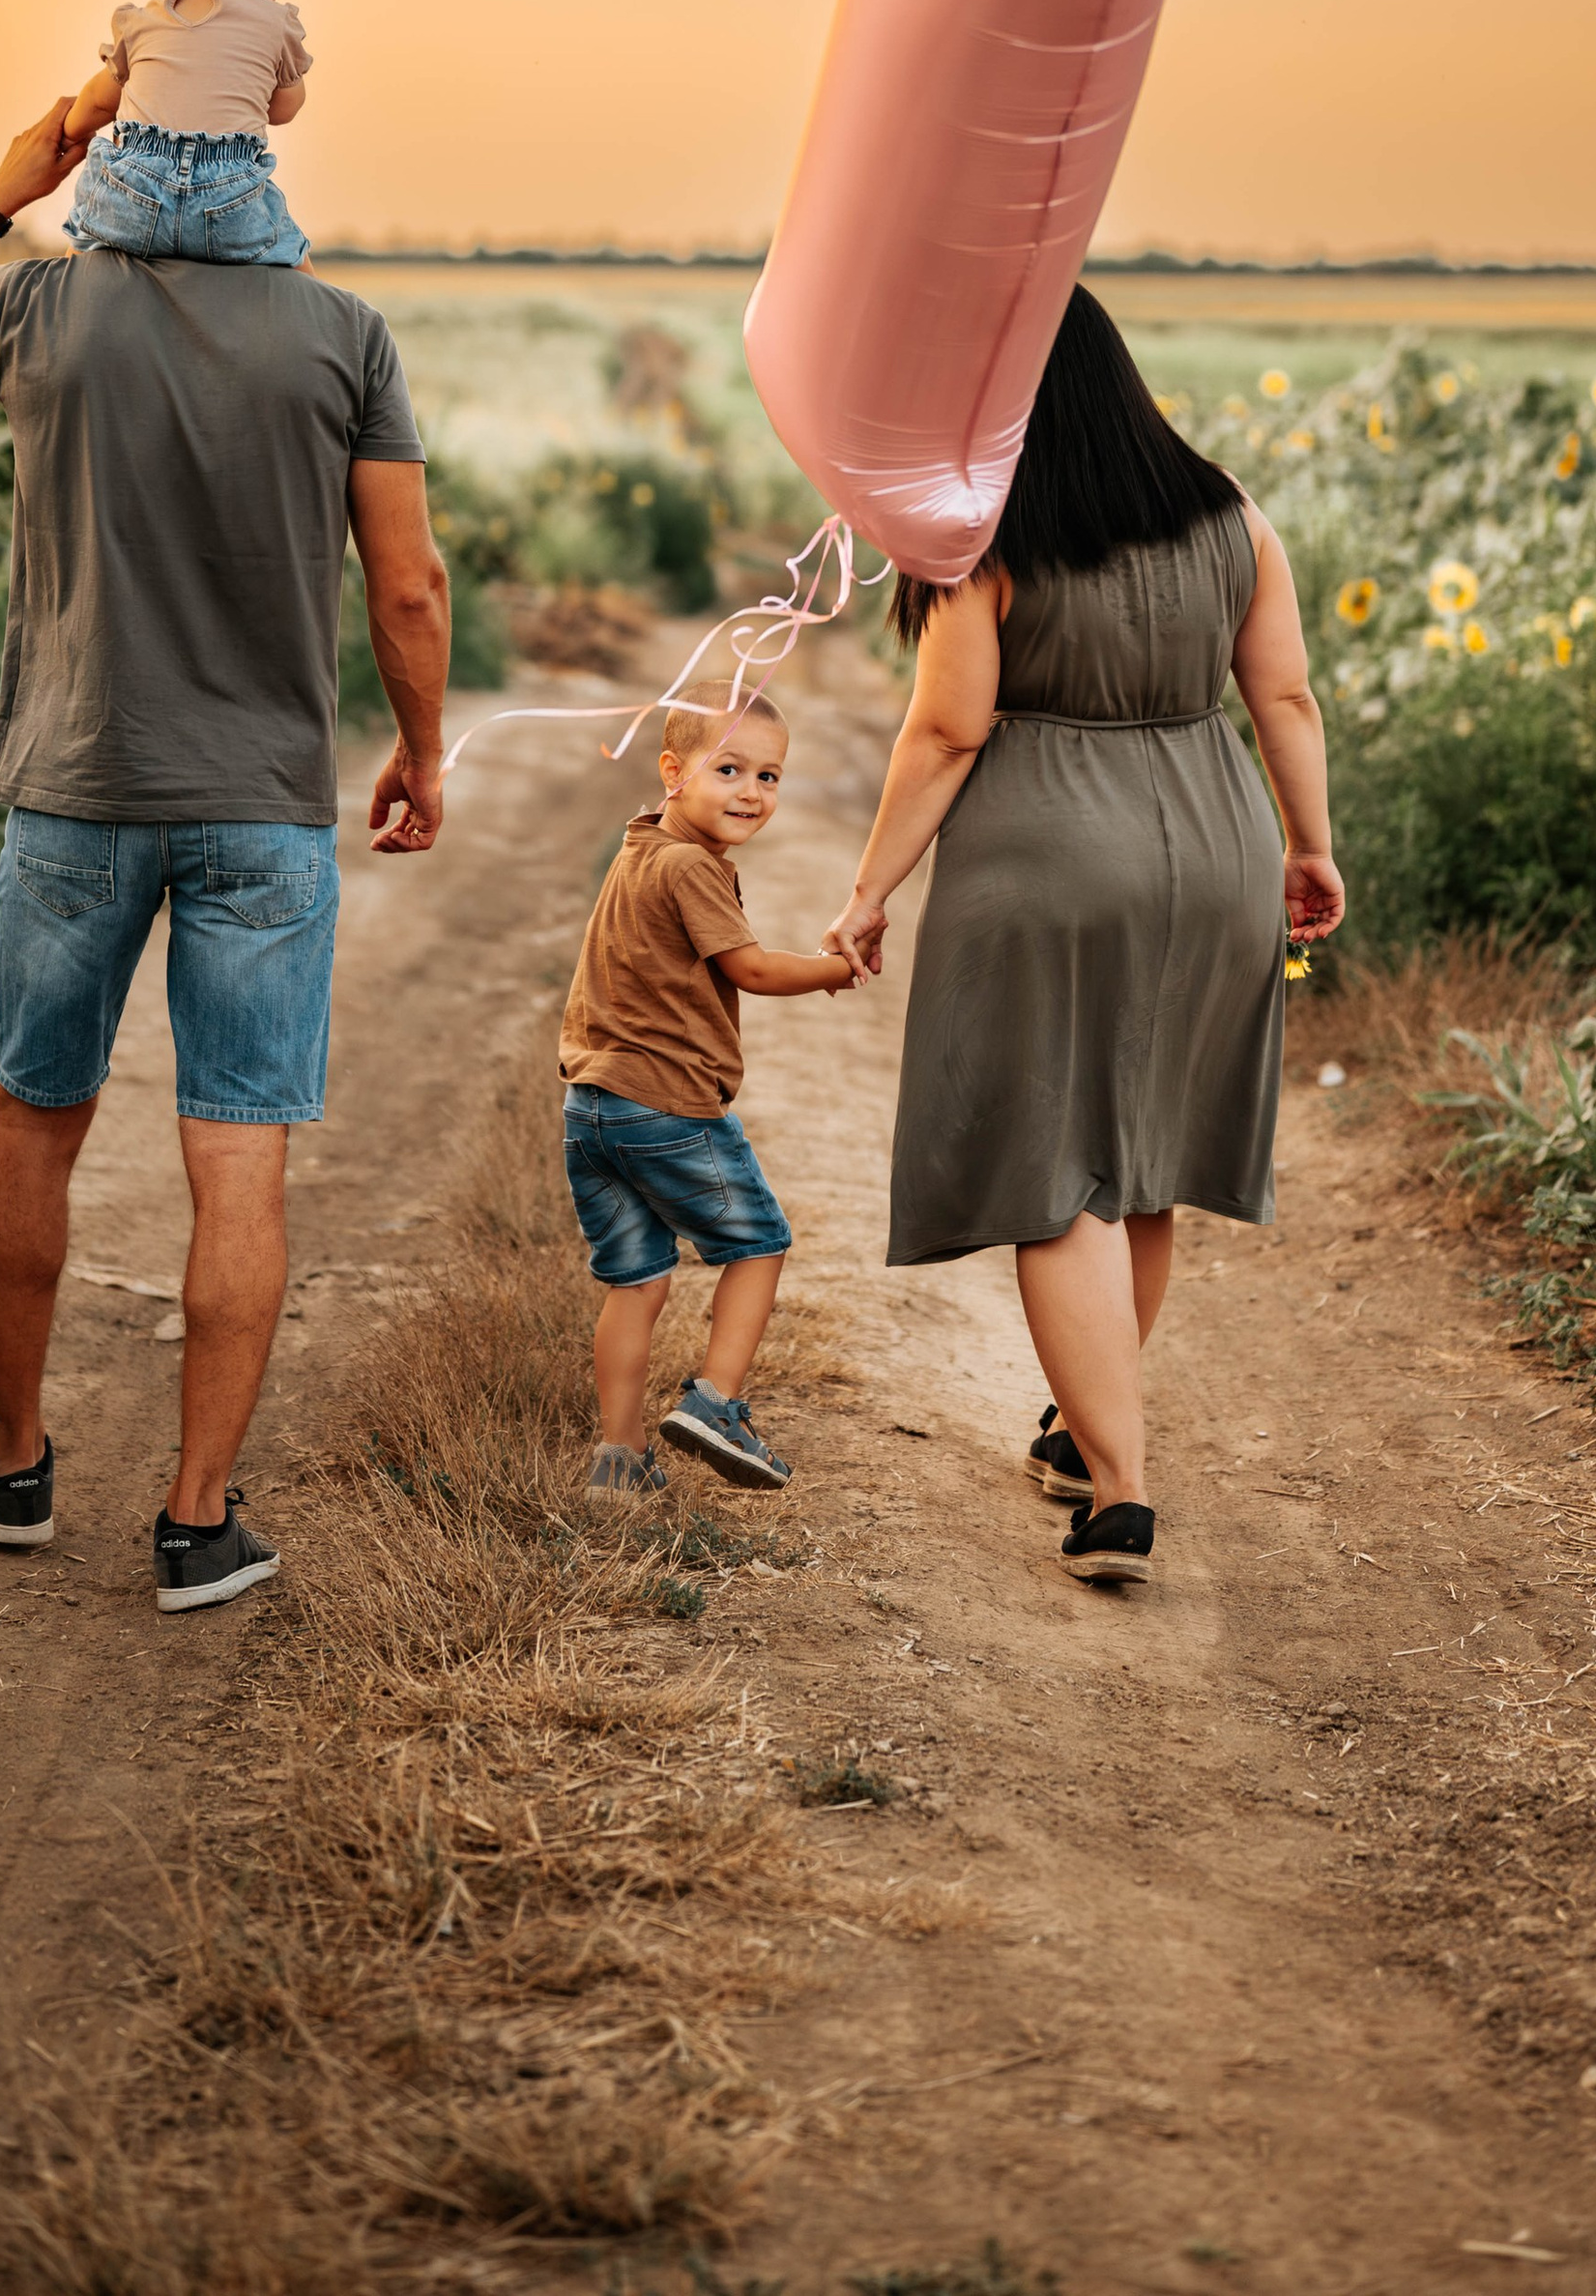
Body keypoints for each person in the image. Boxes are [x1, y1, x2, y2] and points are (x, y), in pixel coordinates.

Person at [0, 94, 450, 1614]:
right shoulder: (344, 333)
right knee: (237, 1153)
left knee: (34, 1122)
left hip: (75, 788)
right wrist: (421, 748)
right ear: (266, 178)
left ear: (103, 169)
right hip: (260, 801)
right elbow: (413, 586)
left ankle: (20, 1461)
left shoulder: (41, 299)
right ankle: (194, 1522)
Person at [824, 288, 1343, 1591]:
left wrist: (868, 887)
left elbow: (947, 732)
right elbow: (1282, 690)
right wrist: (1308, 842)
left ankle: (1119, 1491)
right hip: (1213, 846)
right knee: (1145, 1155)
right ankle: (1079, 1430)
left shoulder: (989, 532)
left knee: (1059, 1170)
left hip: (1049, 853)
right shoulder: (1234, 512)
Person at [561, 690, 859, 1496]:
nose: (751, 790)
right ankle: (715, 1403)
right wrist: (838, 969)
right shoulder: (693, 867)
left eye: (768, 774)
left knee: (636, 1280)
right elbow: (752, 969)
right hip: (664, 1105)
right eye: (728, 768)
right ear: (673, 771)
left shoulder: (640, 847)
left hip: (591, 1108)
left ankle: (618, 1459)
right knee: (758, 1244)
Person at [61, 0, 314, 266]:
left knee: (86, 228)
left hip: (135, 201)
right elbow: (284, 109)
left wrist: (68, 131)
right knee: (290, 244)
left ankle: (64, 286)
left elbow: (97, 102)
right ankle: (322, 319)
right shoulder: (275, 23)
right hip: (227, 207)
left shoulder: (142, 23)